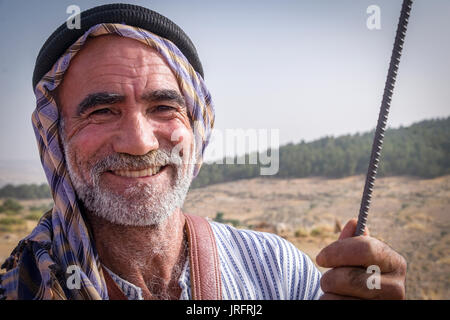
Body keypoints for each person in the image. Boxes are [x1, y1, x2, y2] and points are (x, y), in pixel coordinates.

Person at [0, 4, 406, 300]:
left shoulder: (278, 272)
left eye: (163, 107)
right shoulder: (25, 285)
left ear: (197, 129)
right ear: (54, 138)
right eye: (102, 112)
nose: (140, 142)